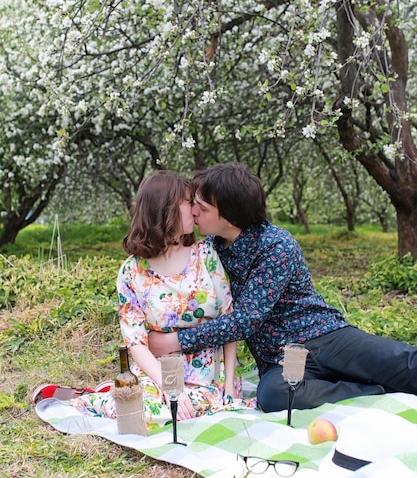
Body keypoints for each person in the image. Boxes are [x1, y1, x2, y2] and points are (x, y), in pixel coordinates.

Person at [149, 162, 417, 413]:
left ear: (229, 217)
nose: (195, 211)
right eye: (195, 204)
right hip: (278, 358)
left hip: (323, 337)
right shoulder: (211, 250)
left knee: (406, 364)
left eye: (203, 208)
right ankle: (374, 391)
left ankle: (378, 379)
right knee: (273, 395)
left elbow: (246, 320)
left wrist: (176, 342)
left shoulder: (276, 246)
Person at [46, 171, 243, 425]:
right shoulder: (132, 271)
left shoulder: (206, 254)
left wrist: (229, 383)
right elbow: (135, 342)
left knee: (192, 412)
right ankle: (96, 396)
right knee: (138, 412)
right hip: (157, 373)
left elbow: (230, 320)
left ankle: (114, 392)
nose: (194, 210)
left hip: (206, 375)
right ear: (167, 209)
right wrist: (171, 387)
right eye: (188, 202)